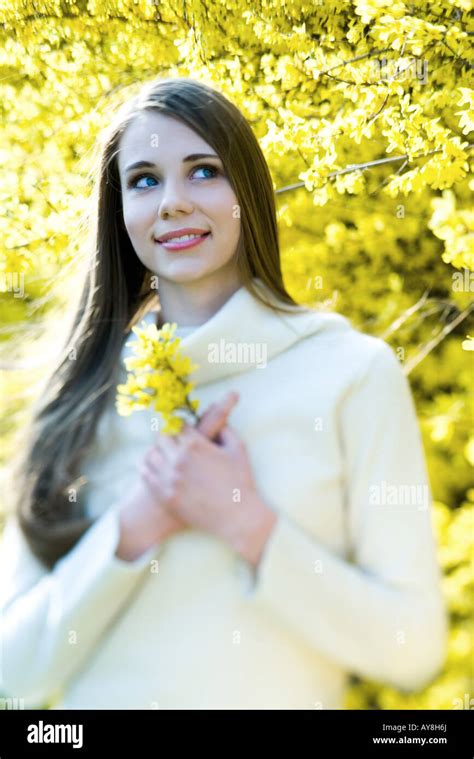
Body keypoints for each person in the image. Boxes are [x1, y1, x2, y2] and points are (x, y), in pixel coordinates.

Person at [0, 77, 447, 710]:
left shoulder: (351, 375)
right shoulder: (83, 391)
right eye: (144, 180)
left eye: (203, 171)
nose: (173, 202)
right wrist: (134, 527)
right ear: (119, 209)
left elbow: (413, 646)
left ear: (248, 192)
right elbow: (13, 675)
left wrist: (248, 525)